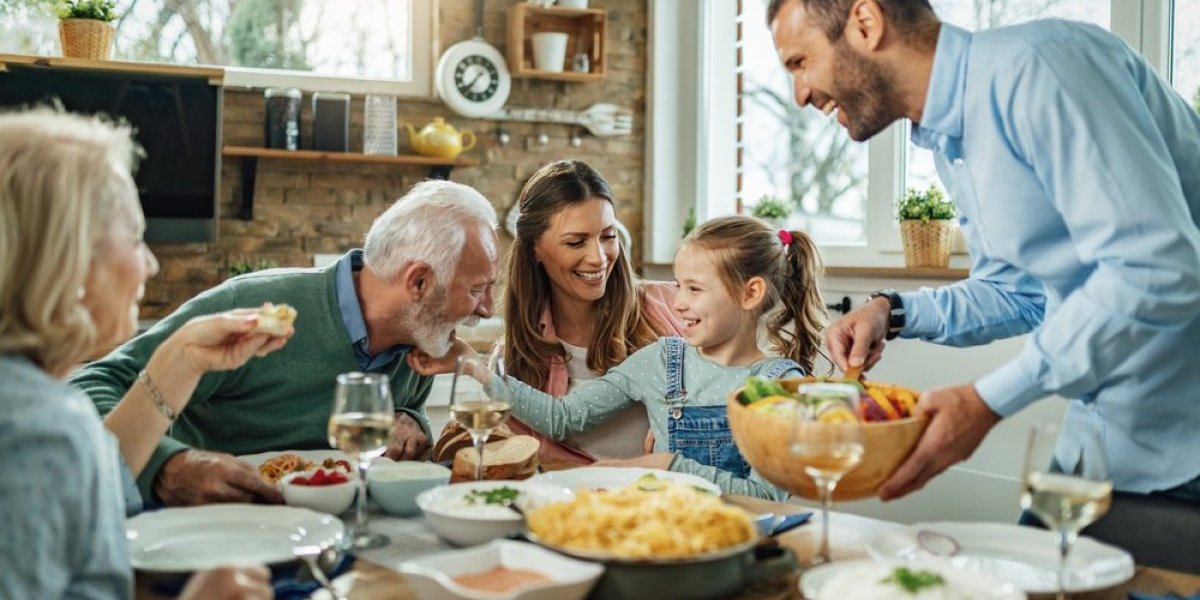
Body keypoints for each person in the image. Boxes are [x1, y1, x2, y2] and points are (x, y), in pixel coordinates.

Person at [767, 0, 1200, 501]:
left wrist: (986, 401)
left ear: (866, 23)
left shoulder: (1043, 69)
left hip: (1186, 449)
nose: (798, 95)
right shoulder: (954, 138)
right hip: (1103, 444)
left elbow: (1156, 268)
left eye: (800, 62)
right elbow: (1021, 293)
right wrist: (892, 310)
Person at [70, 179, 499, 506]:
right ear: (419, 281)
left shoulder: (421, 340)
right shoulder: (255, 306)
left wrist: (412, 421)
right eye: (479, 289)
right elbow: (88, 388)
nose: (487, 309)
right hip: (202, 529)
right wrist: (167, 465)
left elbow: (405, 423)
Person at [0, 108, 277, 598]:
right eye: (134, 238)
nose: (149, 262)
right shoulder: (36, 429)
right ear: (70, 260)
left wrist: (184, 356)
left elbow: (93, 495)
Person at [414, 216, 828, 499]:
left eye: (695, 290)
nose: (679, 303)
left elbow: (766, 496)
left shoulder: (778, 385)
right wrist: (474, 367)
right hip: (656, 534)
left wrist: (667, 465)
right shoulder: (662, 360)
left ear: (750, 293)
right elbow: (564, 418)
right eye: (679, 287)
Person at [500, 160, 685, 465]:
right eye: (576, 242)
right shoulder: (515, 360)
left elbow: (732, 383)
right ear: (534, 249)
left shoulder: (674, 306)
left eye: (608, 236)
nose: (598, 258)